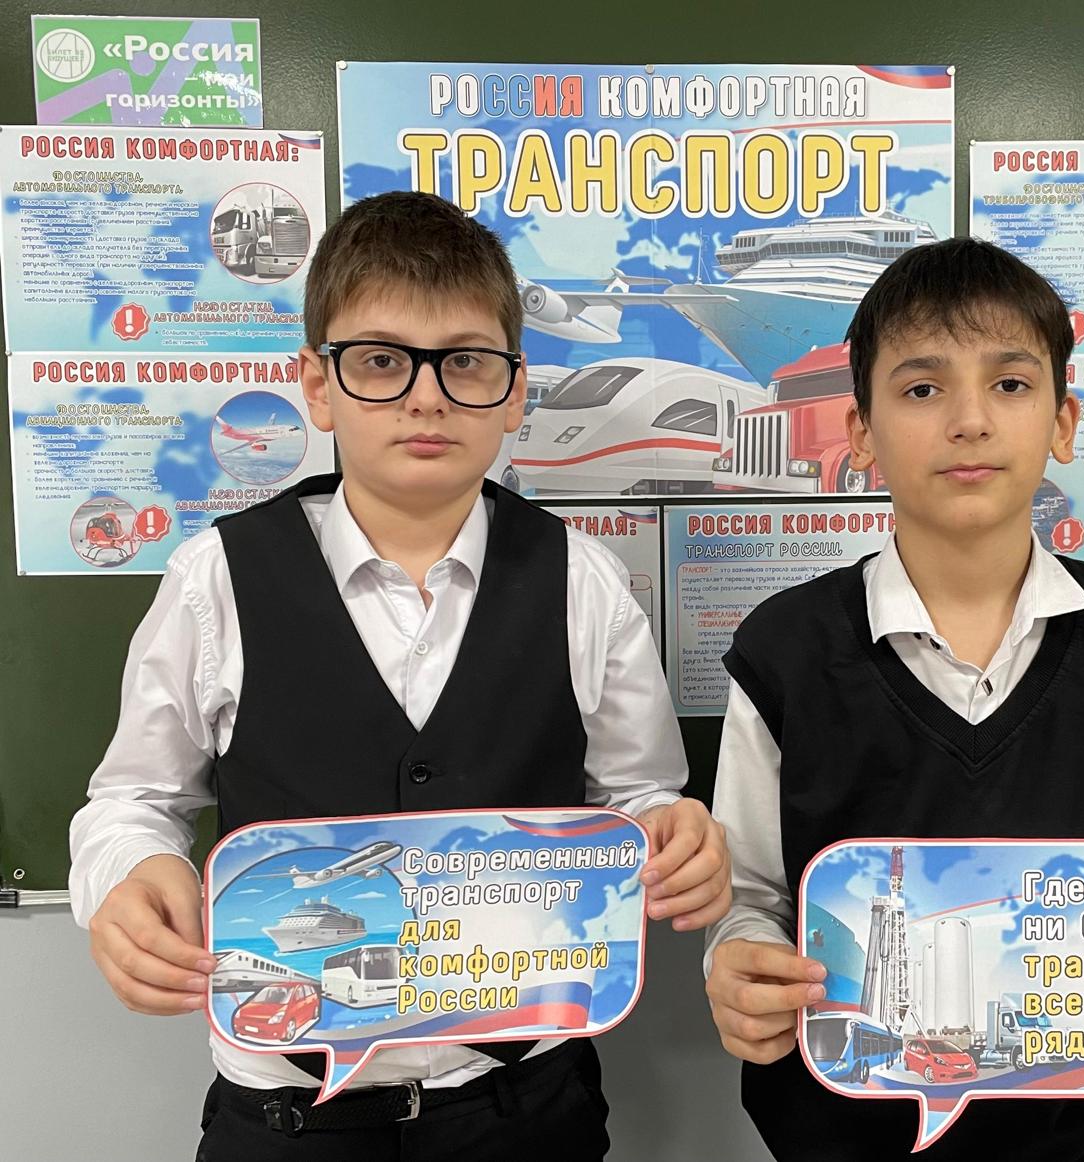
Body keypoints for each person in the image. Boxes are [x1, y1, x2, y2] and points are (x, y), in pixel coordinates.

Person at [70, 190, 729, 1161]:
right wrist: (133, 872)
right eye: (381, 361)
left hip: (523, 1109)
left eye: (465, 361)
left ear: (515, 390)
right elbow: (132, 800)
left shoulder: (582, 583)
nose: (426, 397)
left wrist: (671, 834)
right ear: (318, 384)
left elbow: (635, 799)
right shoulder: (216, 579)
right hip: (288, 1118)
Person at [704, 237, 1084, 1161]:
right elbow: (754, 895)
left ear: (1063, 422)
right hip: (846, 1138)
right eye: (922, 389)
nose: (969, 420)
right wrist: (737, 958)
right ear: (861, 432)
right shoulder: (786, 650)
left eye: (1010, 384)